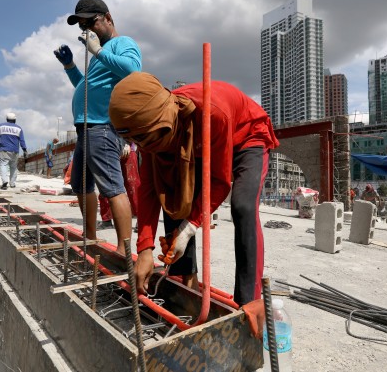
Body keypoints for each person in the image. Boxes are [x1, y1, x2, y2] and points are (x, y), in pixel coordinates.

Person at [109, 72, 280, 306]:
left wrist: (188, 228)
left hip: (245, 136)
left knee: (242, 206)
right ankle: (185, 281)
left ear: (162, 122)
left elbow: (219, 182)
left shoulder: (211, 113)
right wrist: (145, 249)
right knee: (171, 192)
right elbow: (148, 189)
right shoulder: (147, 132)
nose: (148, 147)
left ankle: (248, 302)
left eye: (152, 140)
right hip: (197, 143)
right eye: (142, 143)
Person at [54, 0, 142, 242]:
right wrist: (70, 66)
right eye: (83, 26)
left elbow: (134, 70)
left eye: (91, 22)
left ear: (108, 18)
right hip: (85, 127)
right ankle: (90, 237)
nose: (88, 30)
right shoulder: (97, 57)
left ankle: (122, 251)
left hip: (102, 126)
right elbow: (87, 86)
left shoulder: (123, 43)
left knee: (113, 187)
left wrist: (100, 51)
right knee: (81, 185)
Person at [0, 112, 27, 189]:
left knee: (3, 165)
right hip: (15, 150)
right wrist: (24, 150)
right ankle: (12, 183)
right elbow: (22, 140)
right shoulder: (19, 128)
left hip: (4, 149)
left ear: (7, 119)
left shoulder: (1, 126)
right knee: (13, 167)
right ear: (15, 120)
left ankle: (4, 181)